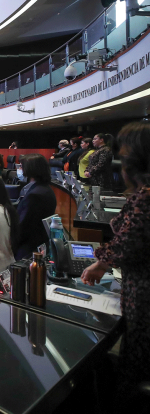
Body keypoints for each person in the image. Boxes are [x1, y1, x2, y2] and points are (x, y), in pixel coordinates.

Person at [81, 121, 150, 402]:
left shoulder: (146, 199)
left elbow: (127, 240)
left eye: (124, 151)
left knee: (134, 369)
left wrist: (101, 262)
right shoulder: (142, 195)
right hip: (137, 291)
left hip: (144, 300)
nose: (120, 156)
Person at [14, 154, 57, 260]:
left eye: (22, 166)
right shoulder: (45, 188)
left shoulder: (35, 195)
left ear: (30, 169)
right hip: (38, 242)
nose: (20, 168)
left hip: (28, 248)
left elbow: (24, 225)